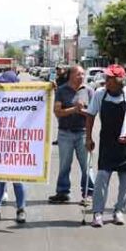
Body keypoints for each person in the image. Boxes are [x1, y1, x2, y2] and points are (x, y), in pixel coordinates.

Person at [86, 64, 126, 228]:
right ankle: (97, 212)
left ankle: (119, 211)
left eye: (109, 78)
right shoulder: (100, 93)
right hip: (107, 143)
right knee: (102, 177)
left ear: (119, 81)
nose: (106, 80)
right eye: (106, 77)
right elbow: (90, 116)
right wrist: (88, 138)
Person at [0, 69, 29, 223]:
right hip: (0, 143)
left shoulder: (23, 101)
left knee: (17, 179)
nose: (1, 86)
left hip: (15, 145)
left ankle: (21, 209)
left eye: (4, 84)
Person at [49, 65, 94, 205]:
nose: (82, 77)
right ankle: (62, 192)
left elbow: (93, 114)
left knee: (86, 166)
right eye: (78, 74)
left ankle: (89, 193)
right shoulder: (62, 91)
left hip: (83, 133)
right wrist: (74, 109)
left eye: (83, 74)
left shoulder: (89, 91)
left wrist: (82, 111)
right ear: (71, 76)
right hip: (65, 133)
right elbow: (57, 111)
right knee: (64, 165)